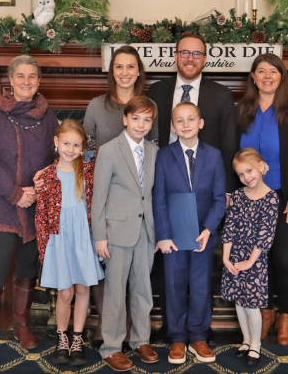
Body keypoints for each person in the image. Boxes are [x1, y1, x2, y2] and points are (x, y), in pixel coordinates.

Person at [0, 55, 59, 358]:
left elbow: (55, 158)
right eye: (20, 76)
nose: (26, 81)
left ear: (38, 81)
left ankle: (21, 324)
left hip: (36, 204)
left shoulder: (48, 116)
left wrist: (39, 188)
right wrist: (14, 193)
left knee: (26, 265)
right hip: (2, 204)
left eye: (32, 77)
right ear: (11, 81)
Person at [237, 53, 288, 345]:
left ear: (282, 77)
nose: (267, 76)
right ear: (253, 77)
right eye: (261, 71)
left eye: (274, 71)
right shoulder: (241, 110)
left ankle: (285, 315)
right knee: (258, 260)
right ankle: (265, 312)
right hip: (249, 199)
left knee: (286, 258)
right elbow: (232, 152)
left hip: (283, 198)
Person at [82, 45, 147, 346]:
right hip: (101, 192)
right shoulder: (97, 105)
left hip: (134, 198)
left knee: (134, 269)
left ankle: (131, 326)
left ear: (138, 71)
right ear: (112, 72)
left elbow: (153, 149)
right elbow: (84, 151)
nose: (124, 72)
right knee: (104, 259)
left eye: (130, 67)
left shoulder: (146, 105)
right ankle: (105, 323)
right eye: (118, 67)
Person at [153, 102, 226, 364]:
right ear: (173, 126)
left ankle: (198, 336)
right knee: (174, 285)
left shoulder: (214, 155)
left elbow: (219, 198)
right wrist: (162, 235)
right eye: (179, 121)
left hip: (203, 235)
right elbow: (159, 199)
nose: (185, 125)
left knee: (200, 285)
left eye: (190, 119)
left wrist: (208, 229)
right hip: (172, 235)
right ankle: (177, 338)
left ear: (200, 123)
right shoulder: (163, 155)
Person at [92, 96, 159, 372]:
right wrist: (99, 236)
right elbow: (99, 197)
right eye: (136, 118)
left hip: (146, 232)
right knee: (116, 293)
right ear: (125, 119)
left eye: (147, 120)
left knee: (143, 290)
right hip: (116, 232)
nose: (141, 124)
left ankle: (141, 340)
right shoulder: (109, 150)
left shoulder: (154, 151)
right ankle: (111, 347)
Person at [35, 119, 104, 366]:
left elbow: (96, 205)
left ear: (83, 146)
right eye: (66, 143)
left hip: (83, 238)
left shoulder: (88, 170)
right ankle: (62, 337)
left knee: (84, 288)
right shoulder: (47, 176)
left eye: (76, 145)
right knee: (65, 291)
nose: (71, 149)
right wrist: (44, 248)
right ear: (56, 142)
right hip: (59, 239)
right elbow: (41, 215)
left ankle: (77, 339)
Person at [147, 33, 237, 194]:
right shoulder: (156, 91)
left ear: (204, 59)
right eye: (184, 53)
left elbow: (229, 145)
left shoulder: (221, 95)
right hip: (164, 180)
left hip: (207, 184)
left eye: (197, 54)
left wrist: (227, 190)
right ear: (176, 56)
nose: (190, 58)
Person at [221, 148, 279, 366]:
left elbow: (266, 234)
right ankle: (246, 340)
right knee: (239, 300)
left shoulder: (271, 198)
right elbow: (230, 228)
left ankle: (256, 345)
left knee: (251, 303)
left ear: (261, 167)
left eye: (249, 170)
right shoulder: (237, 196)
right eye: (241, 174)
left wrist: (250, 261)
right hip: (236, 255)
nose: (246, 177)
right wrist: (227, 258)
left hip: (254, 259)